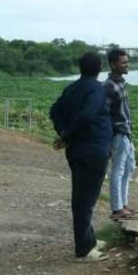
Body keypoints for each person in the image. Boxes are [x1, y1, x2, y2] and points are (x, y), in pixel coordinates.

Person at [49, 52, 113, 262]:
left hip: (78, 150)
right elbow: (88, 115)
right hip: (92, 150)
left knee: (85, 197)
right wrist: (67, 135)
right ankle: (84, 249)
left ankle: (89, 238)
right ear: (100, 67)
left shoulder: (72, 88)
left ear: (80, 67)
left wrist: (63, 133)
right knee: (84, 200)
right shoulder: (96, 89)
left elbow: (54, 111)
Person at [104, 49, 138, 221]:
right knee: (117, 170)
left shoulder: (120, 83)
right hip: (118, 133)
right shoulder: (109, 86)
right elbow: (104, 113)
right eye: (123, 62)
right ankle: (117, 208)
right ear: (113, 64)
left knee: (129, 168)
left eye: (127, 61)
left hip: (127, 132)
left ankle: (123, 204)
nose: (127, 65)